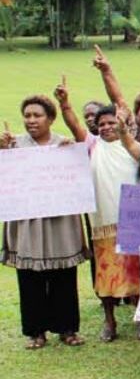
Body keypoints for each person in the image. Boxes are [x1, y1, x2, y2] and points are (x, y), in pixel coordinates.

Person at [1, 95, 90, 349]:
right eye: (27, 115)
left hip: (59, 219)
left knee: (63, 275)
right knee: (30, 277)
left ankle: (67, 329)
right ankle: (35, 331)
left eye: (37, 115)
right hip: (27, 220)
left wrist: (71, 156)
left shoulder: (63, 143)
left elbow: (78, 178)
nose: (31, 120)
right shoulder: (13, 145)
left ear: (50, 118)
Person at [59, 88, 140, 343]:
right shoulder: (92, 145)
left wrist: (106, 72)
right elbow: (73, 123)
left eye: (110, 122)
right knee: (106, 273)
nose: (105, 127)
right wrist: (64, 104)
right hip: (102, 222)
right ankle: (110, 320)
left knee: (136, 271)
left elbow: (121, 100)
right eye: (101, 124)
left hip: (133, 220)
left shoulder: (132, 146)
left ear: (122, 123)